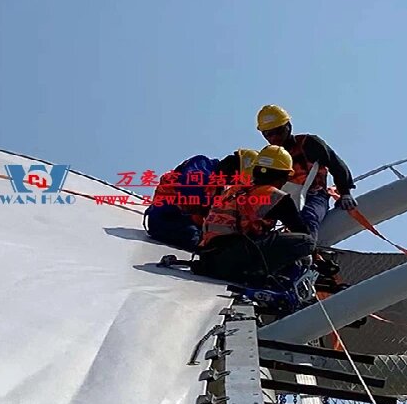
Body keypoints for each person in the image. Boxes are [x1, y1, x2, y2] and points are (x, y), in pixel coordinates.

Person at [195, 145, 316, 287]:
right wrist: (317, 257)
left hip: (208, 260)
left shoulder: (233, 190)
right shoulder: (275, 196)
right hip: (232, 261)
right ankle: (258, 276)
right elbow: (301, 230)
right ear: (283, 176)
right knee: (306, 241)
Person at [256, 104, 357, 239]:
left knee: (308, 218)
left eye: (278, 131)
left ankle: (306, 248)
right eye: (268, 134)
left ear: (288, 126)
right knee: (255, 224)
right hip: (282, 201)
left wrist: (345, 193)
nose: (274, 137)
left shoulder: (308, 143)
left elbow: (335, 164)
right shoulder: (268, 156)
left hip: (314, 195)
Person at [144, 149, 257, 251]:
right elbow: (189, 188)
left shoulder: (218, 188)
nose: (233, 183)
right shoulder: (202, 165)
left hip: (185, 223)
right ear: (233, 169)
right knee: (201, 241)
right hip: (165, 220)